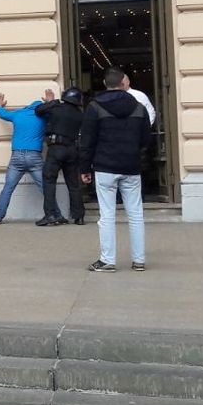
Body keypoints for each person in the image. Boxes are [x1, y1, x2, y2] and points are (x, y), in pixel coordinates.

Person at [79, 68, 154, 273]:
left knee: (107, 215)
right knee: (136, 214)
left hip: (105, 166)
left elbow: (87, 141)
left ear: (105, 84)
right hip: (131, 167)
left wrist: (85, 167)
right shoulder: (139, 107)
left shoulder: (94, 107)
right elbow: (146, 139)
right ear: (123, 83)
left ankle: (107, 260)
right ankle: (139, 260)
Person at [0, 93, 47, 224]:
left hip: (17, 156)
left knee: (8, 187)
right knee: (45, 188)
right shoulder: (44, 117)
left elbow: (1, 113)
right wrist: (51, 102)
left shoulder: (19, 114)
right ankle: (55, 214)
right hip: (34, 156)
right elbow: (57, 114)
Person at [37, 87, 86, 225]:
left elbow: (38, 110)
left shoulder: (57, 107)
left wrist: (51, 101)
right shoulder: (80, 114)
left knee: (49, 181)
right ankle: (79, 216)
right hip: (72, 149)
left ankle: (50, 215)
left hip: (56, 148)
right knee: (74, 184)